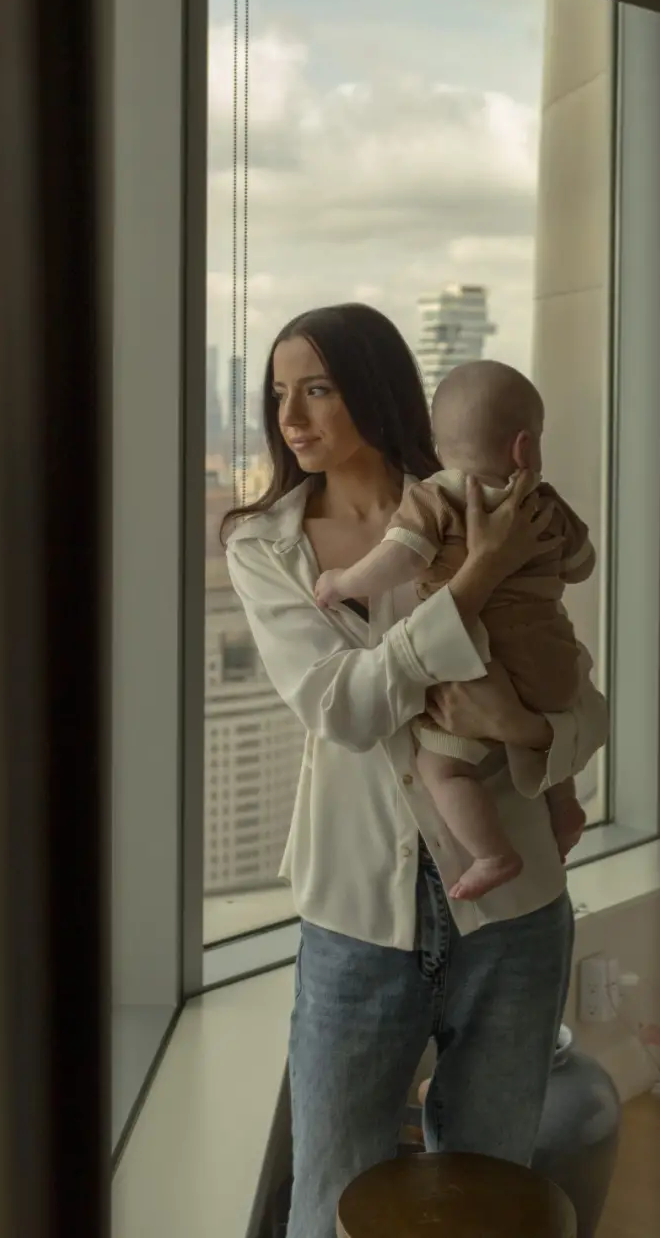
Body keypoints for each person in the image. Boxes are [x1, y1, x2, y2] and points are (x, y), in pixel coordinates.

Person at [223, 304, 607, 1238]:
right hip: (358, 920)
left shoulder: (477, 498)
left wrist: (523, 728)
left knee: (485, 1199)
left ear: (375, 389)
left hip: (516, 918)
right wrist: (474, 582)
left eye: (317, 388)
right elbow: (344, 710)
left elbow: (583, 704)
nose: (291, 417)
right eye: (278, 394)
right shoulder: (264, 546)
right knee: (329, 1203)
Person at [313, 358, 593, 900]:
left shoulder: (438, 497)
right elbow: (582, 566)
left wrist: (342, 581)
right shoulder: (545, 502)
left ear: (440, 448)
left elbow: (398, 559)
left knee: (441, 767)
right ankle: (564, 806)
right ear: (525, 448)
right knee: (548, 729)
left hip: (485, 669)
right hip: (557, 667)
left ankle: (491, 854)